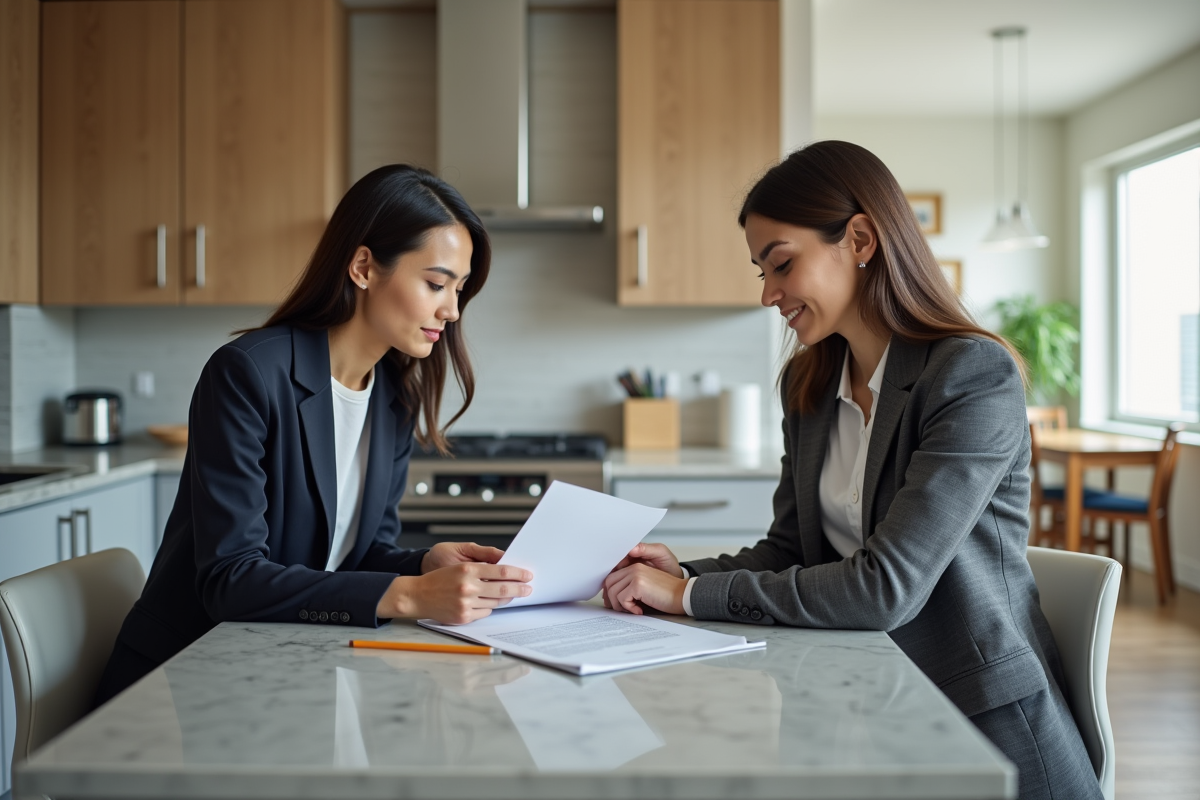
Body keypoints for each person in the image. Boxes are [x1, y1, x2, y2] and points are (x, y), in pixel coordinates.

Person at [602, 141, 1101, 799]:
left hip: (977, 725)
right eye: (761, 271)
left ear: (860, 238)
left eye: (780, 263)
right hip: (851, 695)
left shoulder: (970, 375)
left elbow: (885, 587)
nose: (768, 295)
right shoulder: (808, 386)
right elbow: (791, 549)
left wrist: (687, 599)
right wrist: (684, 573)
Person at [95, 165, 532, 707]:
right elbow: (231, 580)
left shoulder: (394, 397)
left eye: (460, 289)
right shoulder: (247, 374)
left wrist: (422, 565)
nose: (452, 309)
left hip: (281, 673)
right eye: (436, 284)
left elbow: (353, 553)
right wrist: (413, 593)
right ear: (364, 266)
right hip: (183, 684)